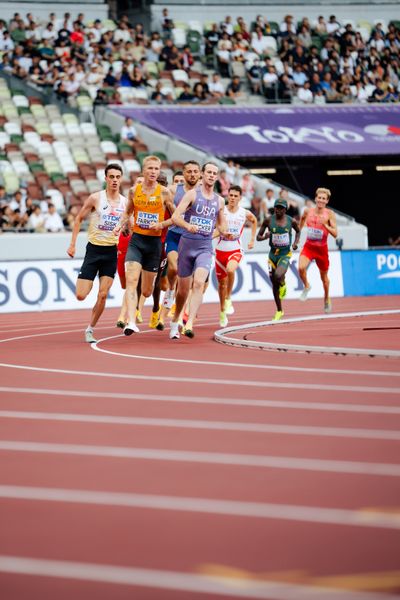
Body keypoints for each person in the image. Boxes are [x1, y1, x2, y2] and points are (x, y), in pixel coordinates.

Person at [67, 164, 127, 343]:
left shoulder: (125, 203)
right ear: (106, 178)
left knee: (103, 295)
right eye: (112, 177)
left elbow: (128, 226)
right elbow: (78, 218)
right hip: (93, 250)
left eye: (118, 177)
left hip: (110, 252)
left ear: (121, 179)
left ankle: (90, 329)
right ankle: (89, 281)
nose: (115, 180)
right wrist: (72, 245)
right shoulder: (95, 198)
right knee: (80, 295)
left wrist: (123, 229)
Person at [169, 162, 228, 339]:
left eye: (214, 173)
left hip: (204, 248)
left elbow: (222, 224)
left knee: (199, 283)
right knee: (182, 291)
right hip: (187, 245)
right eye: (208, 172)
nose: (211, 175)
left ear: (217, 177)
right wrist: (188, 226)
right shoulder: (192, 194)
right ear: (202, 174)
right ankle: (175, 320)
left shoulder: (219, 200)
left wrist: (219, 232)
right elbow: (175, 217)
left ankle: (189, 323)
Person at [117, 155, 172, 336]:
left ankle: (144, 309)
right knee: (132, 282)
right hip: (137, 241)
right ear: (143, 170)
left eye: (156, 169)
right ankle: (131, 322)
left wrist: (162, 225)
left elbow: (175, 217)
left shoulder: (164, 193)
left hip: (154, 244)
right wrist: (121, 224)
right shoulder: (134, 191)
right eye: (150, 168)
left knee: (147, 290)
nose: (153, 172)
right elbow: (127, 212)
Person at [160, 162, 202, 328]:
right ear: (184, 174)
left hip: (191, 239)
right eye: (189, 172)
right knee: (175, 269)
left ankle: (182, 314)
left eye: (195, 171)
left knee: (187, 280)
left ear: (199, 174)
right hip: (174, 235)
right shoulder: (172, 190)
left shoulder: (203, 193)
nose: (192, 174)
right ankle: (171, 290)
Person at [215, 185, 257, 326]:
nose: (232, 198)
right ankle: (222, 312)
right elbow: (216, 229)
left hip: (235, 249)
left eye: (235, 196)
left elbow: (254, 220)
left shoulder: (244, 213)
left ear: (240, 198)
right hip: (220, 251)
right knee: (221, 284)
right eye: (230, 195)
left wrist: (252, 239)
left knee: (231, 270)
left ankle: (228, 298)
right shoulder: (221, 211)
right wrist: (218, 234)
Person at [257, 198, 300, 321]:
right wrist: (265, 236)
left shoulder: (291, 221)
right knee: (274, 283)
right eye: (277, 207)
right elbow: (258, 237)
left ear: (285, 210)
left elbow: (298, 231)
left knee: (278, 275)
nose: (279, 210)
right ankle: (279, 310)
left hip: (285, 254)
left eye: (281, 208)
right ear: (274, 208)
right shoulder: (268, 221)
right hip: (272, 255)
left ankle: (283, 283)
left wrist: (296, 243)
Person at [298, 187, 338, 313]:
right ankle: (307, 286)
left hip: (322, 250)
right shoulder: (307, 211)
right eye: (319, 198)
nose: (320, 200)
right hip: (309, 247)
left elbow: (336, 233)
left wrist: (326, 225)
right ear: (315, 198)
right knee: (300, 268)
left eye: (323, 199)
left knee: (324, 279)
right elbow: (302, 220)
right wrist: (298, 234)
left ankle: (326, 298)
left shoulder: (330, 214)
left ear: (327, 201)